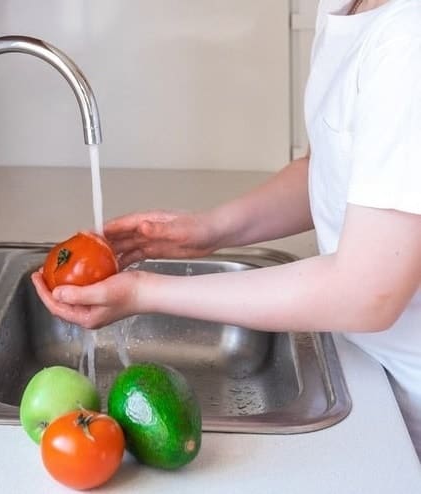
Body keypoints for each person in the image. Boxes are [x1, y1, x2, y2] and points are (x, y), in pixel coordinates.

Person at [31, 0, 421, 459]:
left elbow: (365, 292)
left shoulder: (407, 42)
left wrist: (144, 293)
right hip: (372, 371)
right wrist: (208, 229)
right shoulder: (346, 6)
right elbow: (331, 169)